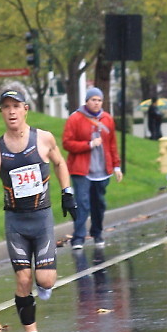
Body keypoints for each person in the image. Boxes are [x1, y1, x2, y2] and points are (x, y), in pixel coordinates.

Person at [0, 88, 77, 332]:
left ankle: (44, 285)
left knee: (45, 281)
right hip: (16, 223)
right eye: (6, 107)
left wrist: (68, 194)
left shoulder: (43, 139)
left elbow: (60, 163)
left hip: (42, 220)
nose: (11, 112)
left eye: (16, 106)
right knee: (23, 279)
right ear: (1, 112)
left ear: (25, 109)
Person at [63, 87, 123, 250]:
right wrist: (88, 145)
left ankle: (97, 233)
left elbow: (112, 144)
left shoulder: (107, 119)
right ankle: (79, 238)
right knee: (82, 203)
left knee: (99, 204)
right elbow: (67, 143)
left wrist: (116, 166)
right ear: (87, 101)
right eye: (93, 100)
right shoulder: (75, 119)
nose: (96, 103)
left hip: (102, 171)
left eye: (99, 100)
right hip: (81, 170)